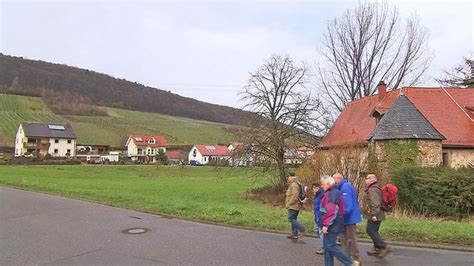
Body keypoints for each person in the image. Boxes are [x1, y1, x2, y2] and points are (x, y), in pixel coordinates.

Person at [319, 176, 353, 266]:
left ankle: (351, 263)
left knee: (331, 246)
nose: (321, 186)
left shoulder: (332, 193)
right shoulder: (332, 192)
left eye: (322, 184)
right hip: (333, 223)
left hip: (333, 224)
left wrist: (326, 225)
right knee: (327, 247)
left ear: (328, 184)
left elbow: (332, 210)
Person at [333, 173, 362, 265]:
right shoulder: (340, 187)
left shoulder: (345, 187)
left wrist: (339, 215)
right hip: (343, 219)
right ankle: (347, 259)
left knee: (350, 239)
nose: (333, 182)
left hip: (349, 218)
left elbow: (347, 206)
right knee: (343, 239)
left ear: (339, 179)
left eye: (334, 180)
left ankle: (356, 258)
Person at [363, 174, 390, 258]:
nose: (365, 180)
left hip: (375, 214)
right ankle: (377, 249)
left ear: (372, 179)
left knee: (371, 230)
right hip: (374, 214)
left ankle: (383, 246)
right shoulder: (372, 188)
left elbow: (375, 203)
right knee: (373, 230)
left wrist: (374, 214)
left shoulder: (373, 189)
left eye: (366, 178)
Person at [285, 172, 306, 239]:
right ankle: (294, 234)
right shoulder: (296, 183)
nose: (288, 178)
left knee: (291, 219)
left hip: (293, 205)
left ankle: (302, 229)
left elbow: (294, 196)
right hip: (296, 205)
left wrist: (289, 203)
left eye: (288, 177)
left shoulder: (294, 185)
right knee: (294, 219)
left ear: (291, 177)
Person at [311, 182, 325, 254]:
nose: (313, 190)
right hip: (316, 214)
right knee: (316, 230)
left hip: (320, 215)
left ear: (317, 187)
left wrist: (320, 216)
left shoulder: (322, 194)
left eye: (313, 188)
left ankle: (324, 248)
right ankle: (327, 244)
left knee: (320, 232)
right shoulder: (317, 194)